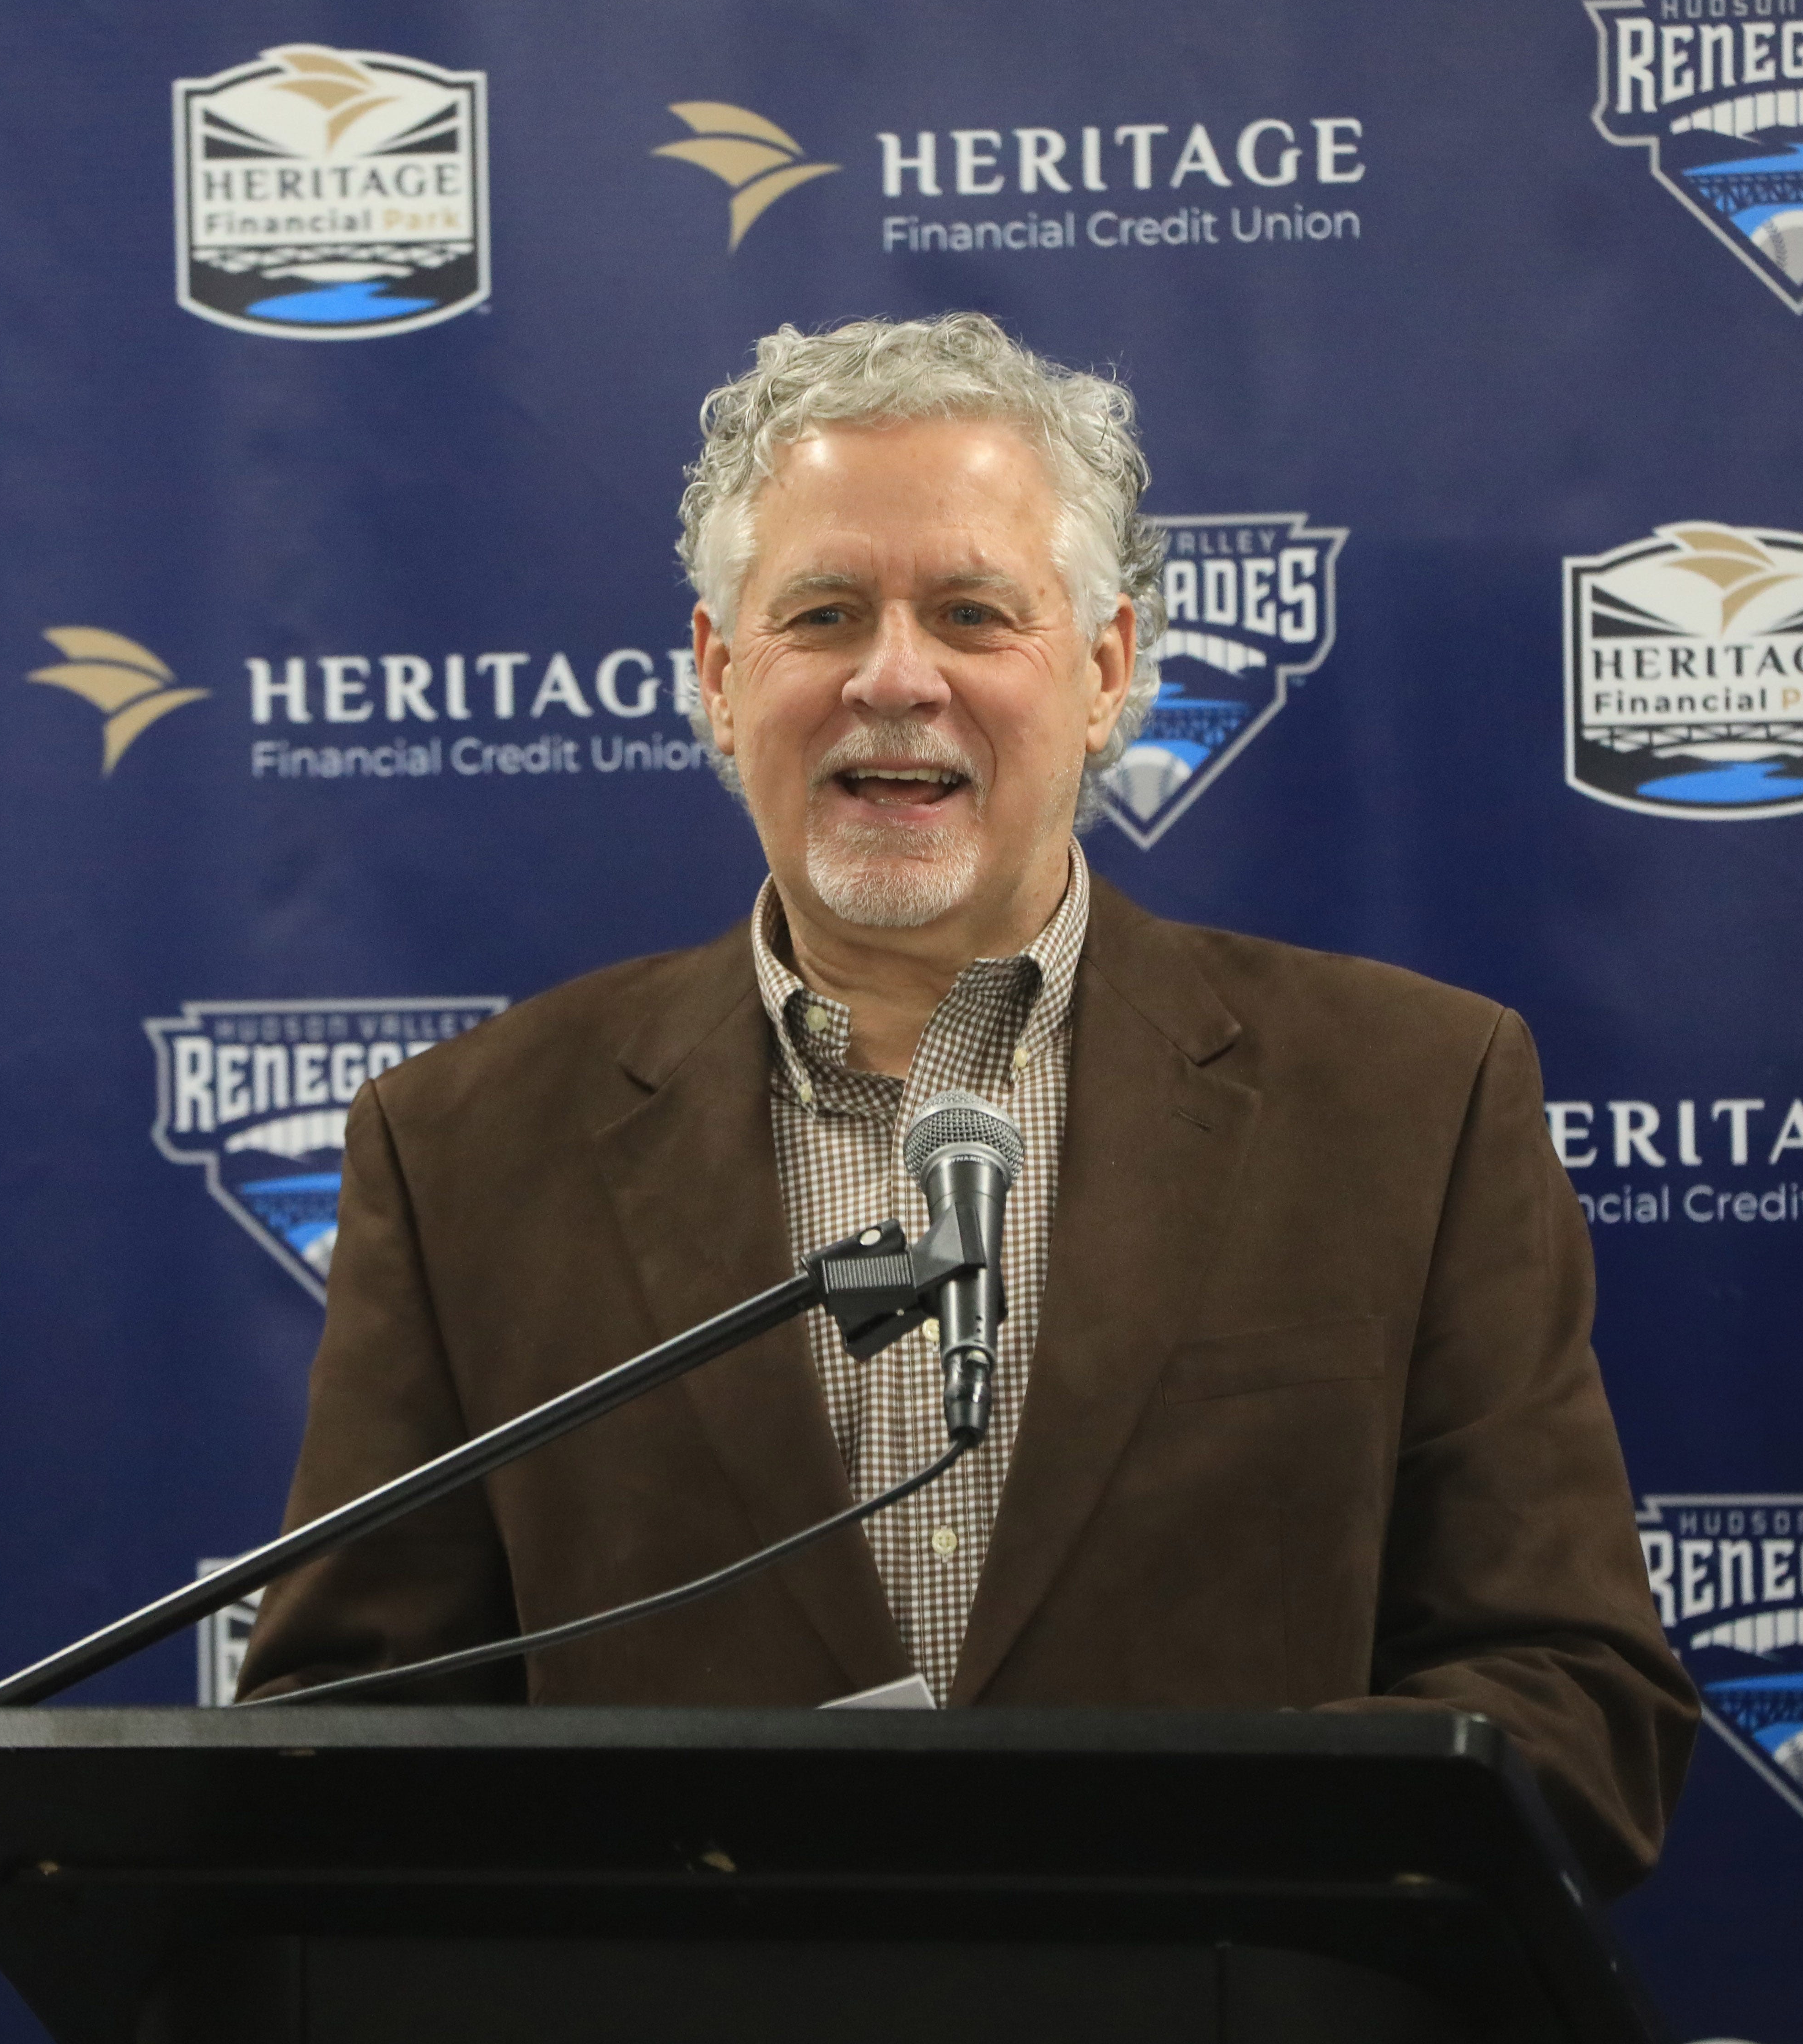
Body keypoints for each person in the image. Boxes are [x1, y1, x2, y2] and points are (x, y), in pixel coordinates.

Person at [237, 313, 1695, 1896]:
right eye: (822, 613)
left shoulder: (1411, 1100)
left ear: (1106, 671)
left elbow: (1576, 1705)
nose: (894, 677)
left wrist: (1129, 1872)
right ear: (724, 681)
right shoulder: (462, 1149)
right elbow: (344, 1741)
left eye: (973, 613)